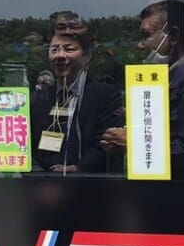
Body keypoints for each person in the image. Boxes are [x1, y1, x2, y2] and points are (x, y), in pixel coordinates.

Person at [100, 0, 184, 171]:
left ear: (174, 36)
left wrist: (134, 142)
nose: (140, 45)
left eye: (146, 36)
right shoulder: (167, 78)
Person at [33, 23, 120, 174]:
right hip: (51, 181)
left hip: (94, 182)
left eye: (69, 49)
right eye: (54, 50)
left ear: (87, 56)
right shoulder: (41, 98)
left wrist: (79, 168)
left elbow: (106, 141)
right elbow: (37, 143)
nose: (60, 55)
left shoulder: (105, 95)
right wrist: (52, 167)